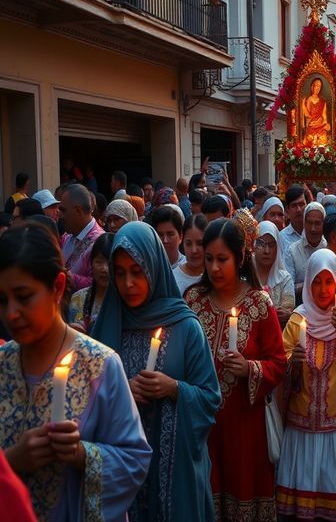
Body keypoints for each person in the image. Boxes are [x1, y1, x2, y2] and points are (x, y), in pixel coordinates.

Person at [0, 224, 151, 520]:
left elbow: (134, 461)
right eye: (2, 300)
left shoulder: (100, 365)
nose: (12, 313)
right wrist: (11, 461)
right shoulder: (2, 363)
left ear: (57, 287)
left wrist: (83, 456)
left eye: (24, 296)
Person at [91, 222, 222, 521]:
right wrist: (121, 392)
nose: (128, 284)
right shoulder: (108, 324)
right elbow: (85, 399)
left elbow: (210, 398)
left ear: (153, 267)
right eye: (120, 273)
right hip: (121, 472)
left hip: (176, 473)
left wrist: (174, 388)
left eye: (137, 272)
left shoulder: (185, 327)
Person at [185, 213, 287, 520]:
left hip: (246, 427)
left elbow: (279, 363)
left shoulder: (259, 304)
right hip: (203, 427)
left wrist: (251, 369)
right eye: (209, 259)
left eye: (223, 259)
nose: (214, 268)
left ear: (240, 258)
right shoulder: (193, 302)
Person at [277, 249, 336, 520]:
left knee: (333, 506)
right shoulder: (298, 318)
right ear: (307, 282)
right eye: (316, 281)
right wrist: (291, 363)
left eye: (328, 281)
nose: (322, 289)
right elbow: (279, 363)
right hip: (302, 426)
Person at [59, 184, 105, 290]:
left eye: (63, 210)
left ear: (78, 210)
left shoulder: (100, 242)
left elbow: (102, 284)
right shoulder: (66, 237)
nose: (60, 215)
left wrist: (71, 279)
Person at [67, 233, 114, 333]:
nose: (104, 269)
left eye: (110, 262)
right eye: (99, 262)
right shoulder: (78, 298)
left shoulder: (122, 302)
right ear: (91, 264)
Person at [255, 220, 295, 327]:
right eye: (261, 244)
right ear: (253, 245)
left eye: (271, 245)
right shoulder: (245, 276)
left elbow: (287, 309)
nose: (266, 251)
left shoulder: (285, 279)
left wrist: (286, 314)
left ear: (278, 247)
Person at [285, 202, 328, 303]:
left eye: (317, 223)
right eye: (309, 223)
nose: (313, 229)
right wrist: (309, 284)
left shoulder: (329, 249)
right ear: (304, 223)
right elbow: (288, 288)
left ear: (324, 224)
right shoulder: (292, 251)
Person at [173, 214, 208, 296]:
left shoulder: (215, 277)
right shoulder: (172, 280)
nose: (194, 250)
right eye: (188, 244)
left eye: (200, 243)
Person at [279, 185, 307, 253]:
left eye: (301, 204)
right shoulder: (281, 238)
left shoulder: (315, 233)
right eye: (294, 205)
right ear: (287, 209)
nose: (299, 210)